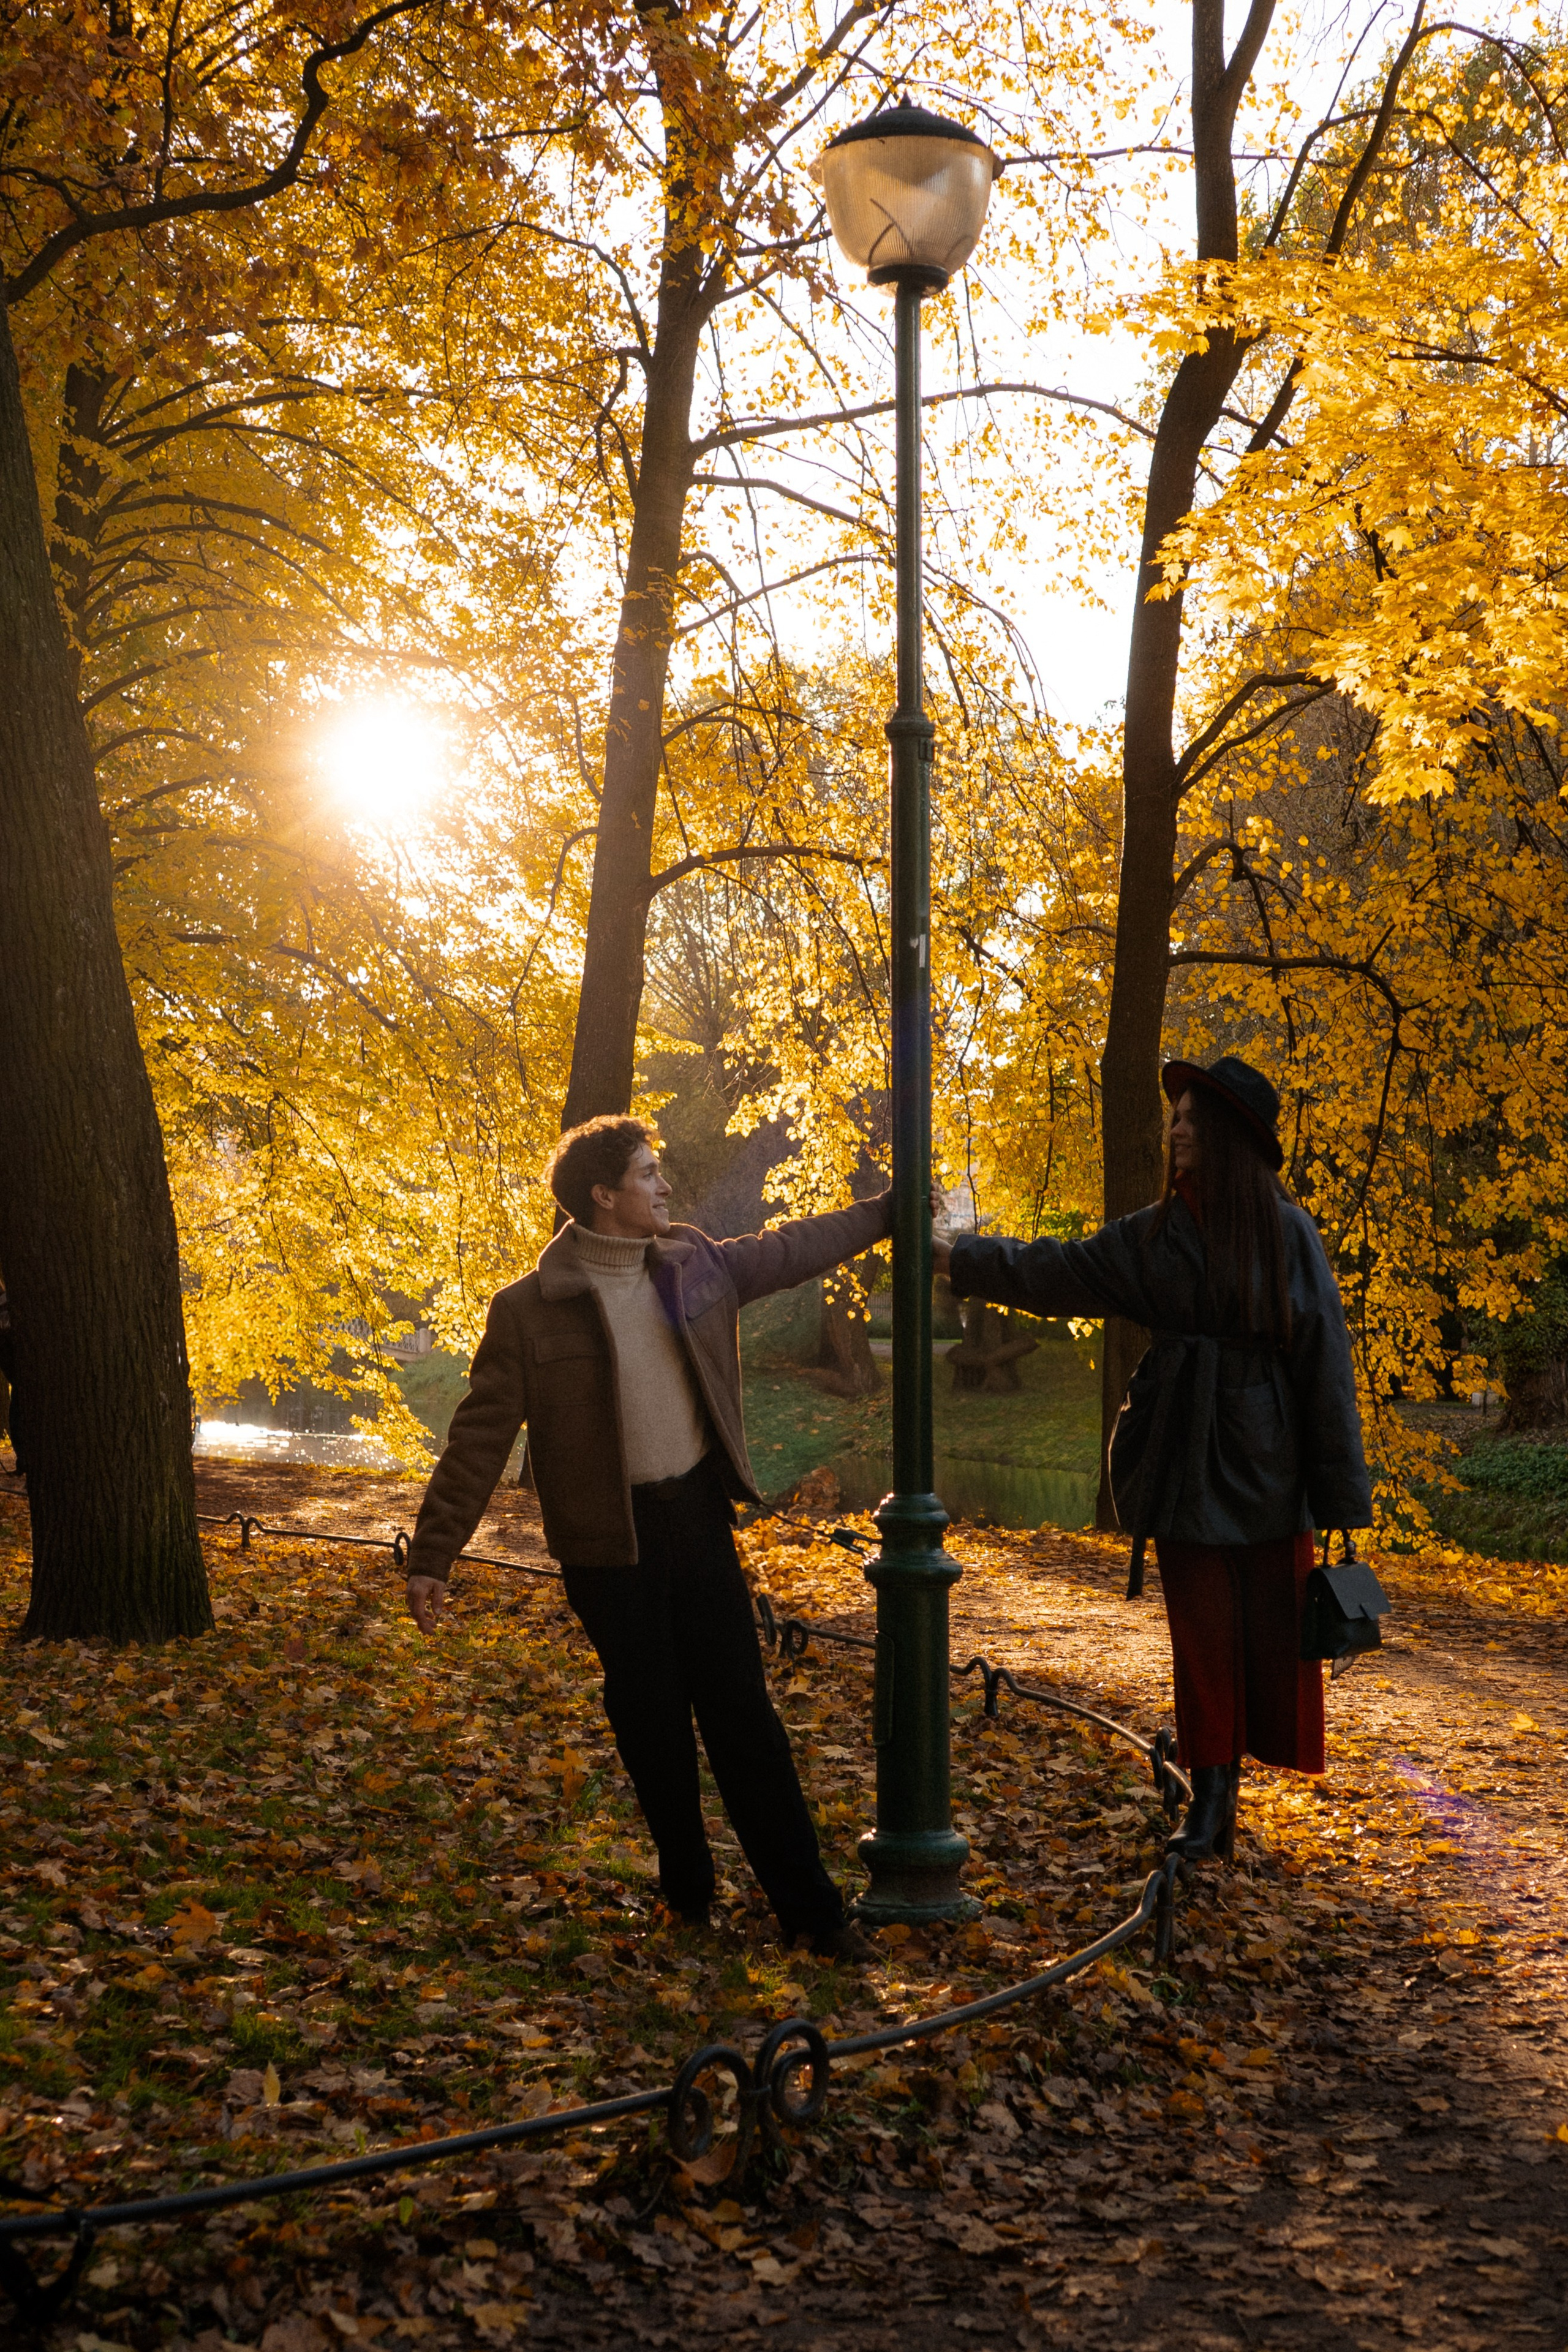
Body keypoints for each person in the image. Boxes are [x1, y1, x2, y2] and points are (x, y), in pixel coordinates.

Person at [404, 1116, 889, 1956]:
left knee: (744, 1718)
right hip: (606, 1549)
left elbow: (789, 1248)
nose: (664, 1186)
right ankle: (688, 1888)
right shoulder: (529, 1310)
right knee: (652, 1724)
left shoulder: (691, 1260)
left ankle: (811, 1913)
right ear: (604, 1194)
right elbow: (480, 1436)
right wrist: (435, 1554)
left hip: (697, 1522)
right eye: (648, 1173)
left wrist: (884, 1213)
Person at [932, 1056, 1372, 1861]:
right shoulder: (1156, 1235)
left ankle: (1234, 1792)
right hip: (1181, 1456)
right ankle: (1210, 1807)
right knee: (1201, 1639)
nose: (1176, 1128)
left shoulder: (1287, 1233)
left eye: (1193, 1119)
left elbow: (1324, 1364)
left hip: (1272, 1463)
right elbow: (1056, 1269)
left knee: (1272, 1638)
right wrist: (959, 1260)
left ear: (1232, 1137)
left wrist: (1342, 1502)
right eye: (1175, 1116)